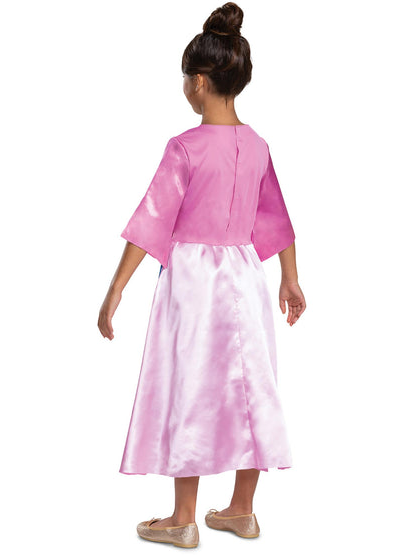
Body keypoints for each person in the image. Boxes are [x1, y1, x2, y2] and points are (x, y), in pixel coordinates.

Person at [98, 2, 306, 549]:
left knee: (188, 385)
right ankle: (242, 510)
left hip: (193, 281)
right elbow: (276, 218)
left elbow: (152, 217)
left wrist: (115, 289)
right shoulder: (257, 145)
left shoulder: (184, 147)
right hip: (245, 275)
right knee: (253, 386)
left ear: (197, 82)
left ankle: (183, 517)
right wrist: (289, 278)